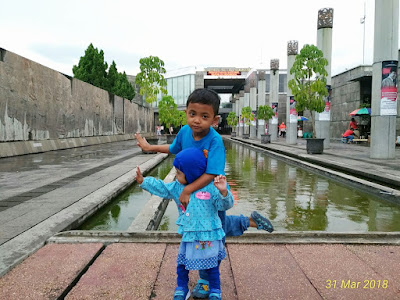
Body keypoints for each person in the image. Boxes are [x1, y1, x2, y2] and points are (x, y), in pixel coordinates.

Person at [135, 88, 274, 298]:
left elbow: (211, 173)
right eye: (192, 114)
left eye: (204, 116)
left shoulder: (215, 141)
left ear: (215, 119)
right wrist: (149, 148)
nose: (197, 121)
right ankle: (249, 222)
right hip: (192, 194)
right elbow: (173, 149)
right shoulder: (184, 132)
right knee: (216, 228)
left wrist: (188, 189)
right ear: (186, 113)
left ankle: (206, 280)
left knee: (214, 234)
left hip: (208, 193)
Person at [136, 147, 234, 300]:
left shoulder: (211, 187)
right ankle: (182, 287)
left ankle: (215, 289)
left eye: (179, 173)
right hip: (189, 234)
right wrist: (144, 182)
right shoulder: (177, 188)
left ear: (192, 173)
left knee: (212, 265)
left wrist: (223, 192)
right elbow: (162, 188)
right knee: (182, 264)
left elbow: (225, 206)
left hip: (210, 233)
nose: (176, 175)